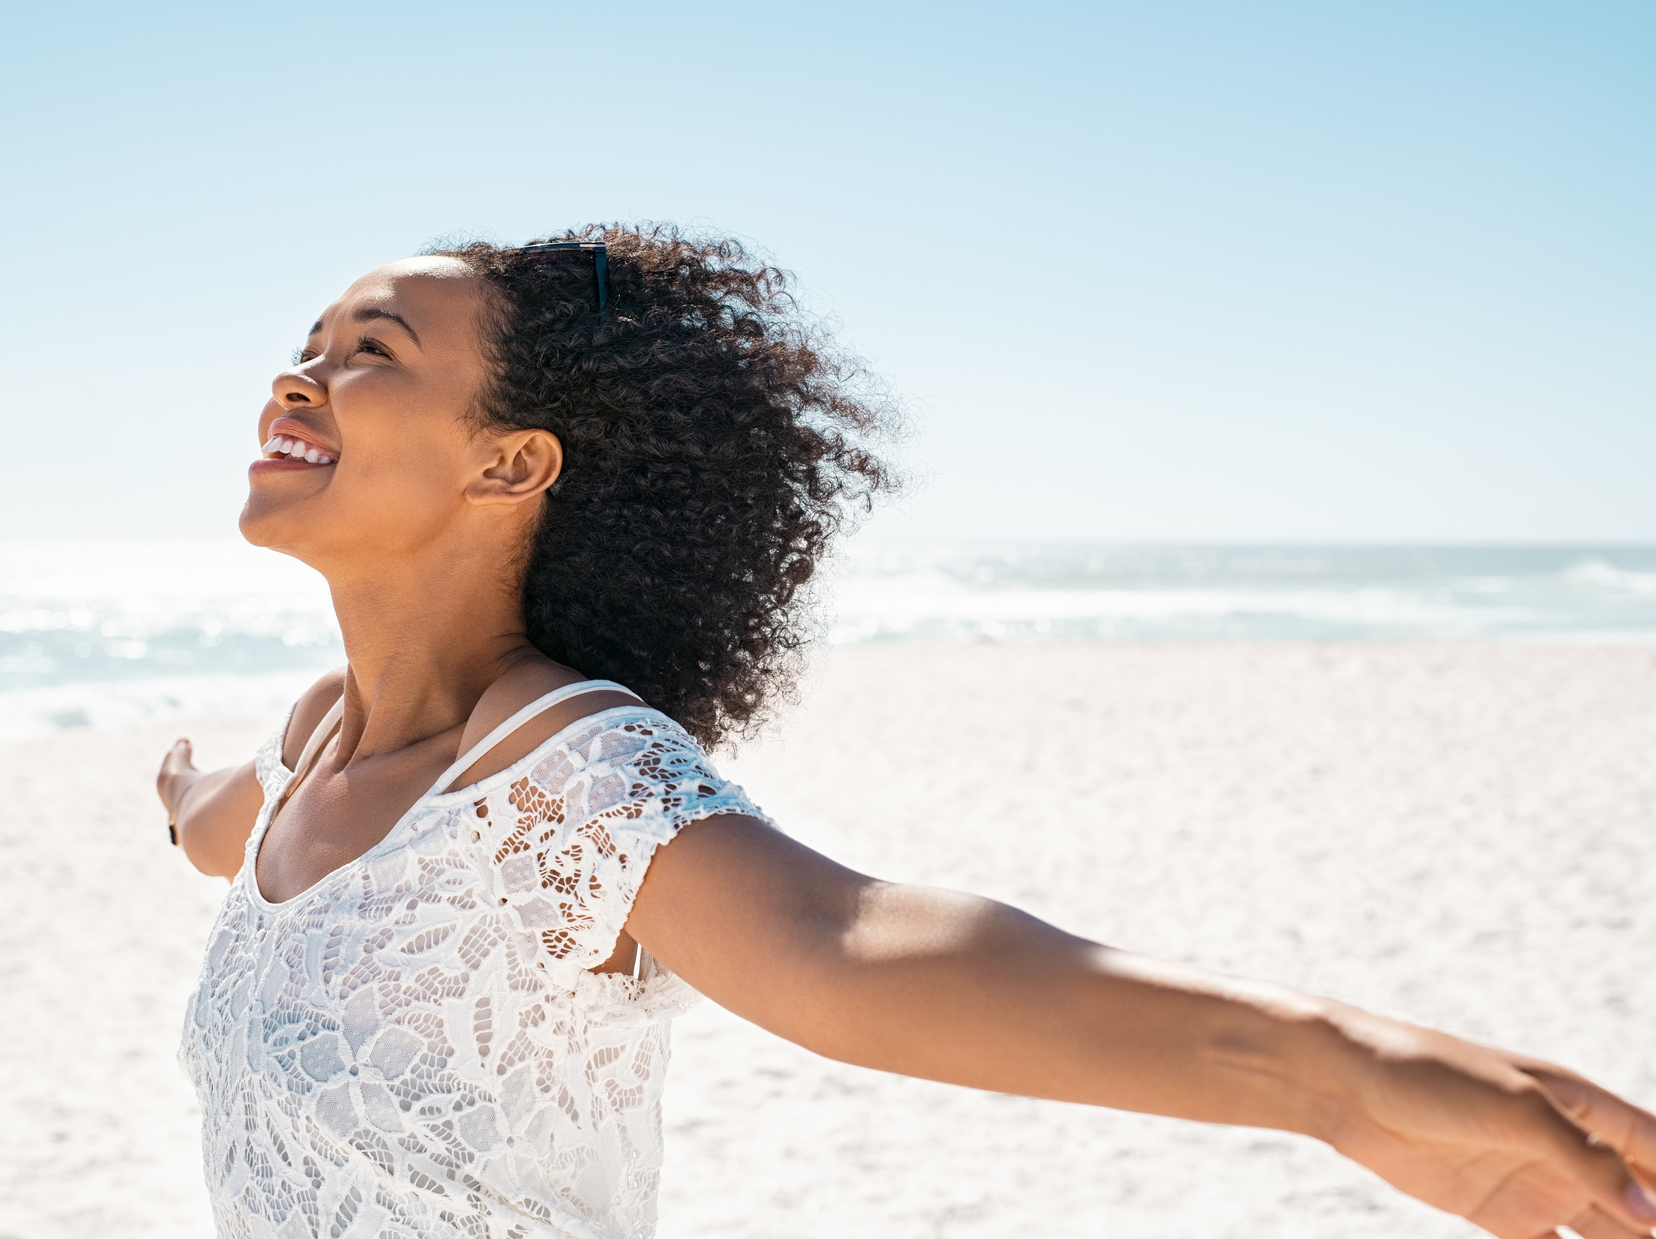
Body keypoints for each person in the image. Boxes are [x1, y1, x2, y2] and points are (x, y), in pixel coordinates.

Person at [156, 226, 1654, 1239]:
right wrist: (180, 795)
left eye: (374, 349)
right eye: (307, 341)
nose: (300, 371)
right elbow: (236, 830)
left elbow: (857, 943)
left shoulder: (560, 779)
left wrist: (1334, 1072)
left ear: (511, 463)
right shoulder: (313, 754)